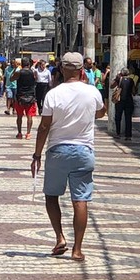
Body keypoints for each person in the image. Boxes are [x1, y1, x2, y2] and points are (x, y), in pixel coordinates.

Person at [31, 52, 106, 262]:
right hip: (84, 152)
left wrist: (37, 154)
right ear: (82, 70)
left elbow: (45, 126)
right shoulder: (92, 92)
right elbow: (101, 113)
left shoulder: (53, 94)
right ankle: (77, 249)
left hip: (58, 151)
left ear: (62, 70)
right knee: (80, 199)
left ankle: (60, 237)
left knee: (51, 195)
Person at [11, 56, 38, 139]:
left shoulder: (19, 72)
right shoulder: (33, 72)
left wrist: (16, 69)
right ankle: (28, 133)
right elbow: (36, 81)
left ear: (22, 64)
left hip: (20, 96)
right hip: (30, 96)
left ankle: (19, 133)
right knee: (29, 116)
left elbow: (11, 79)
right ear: (29, 64)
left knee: (19, 116)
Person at [112, 67, 136, 141]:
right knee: (128, 118)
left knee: (118, 117)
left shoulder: (119, 79)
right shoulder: (131, 80)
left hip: (120, 101)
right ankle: (128, 135)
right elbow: (134, 91)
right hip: (129, 101)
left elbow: (111, 86)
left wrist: (116, 78)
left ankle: (118, 133)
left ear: (121, 73)